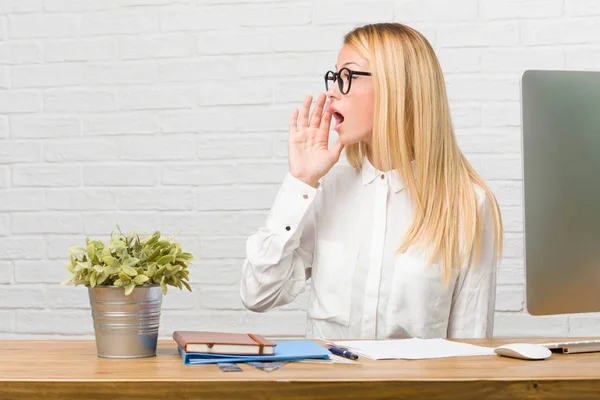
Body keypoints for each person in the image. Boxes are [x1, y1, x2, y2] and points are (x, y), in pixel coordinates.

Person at [240, 22, 504, 340]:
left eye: (347, 78)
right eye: (335, 77)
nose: (332, 92)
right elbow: (258, 294)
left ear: (398, 88)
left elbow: (471, 350)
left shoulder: (468, 205)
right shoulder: (323, 192)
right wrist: (301, 180)